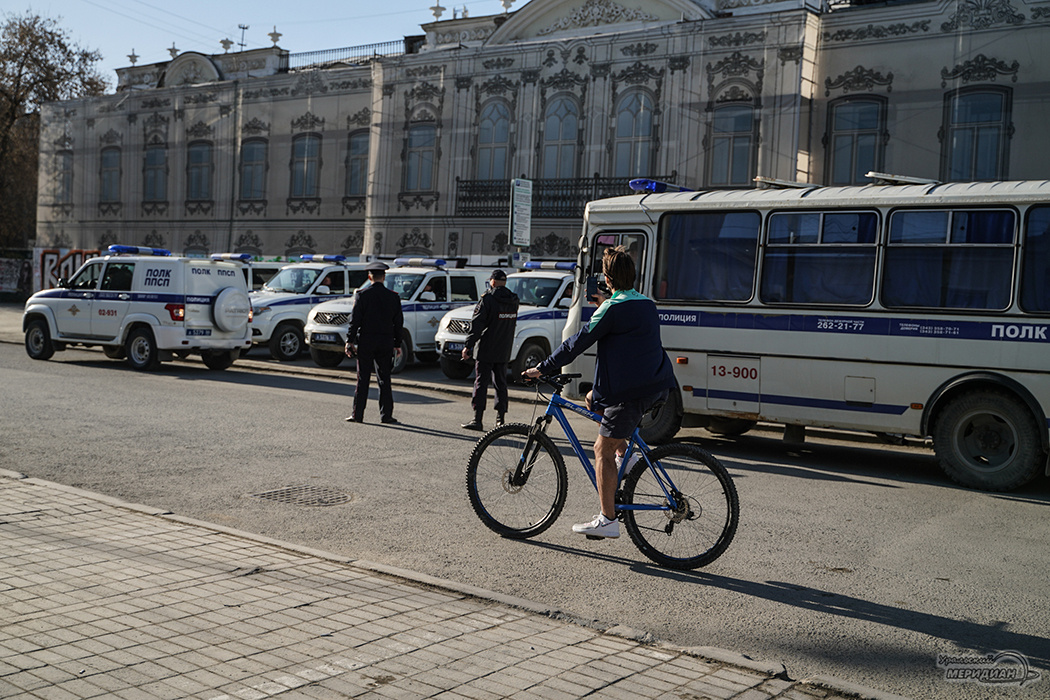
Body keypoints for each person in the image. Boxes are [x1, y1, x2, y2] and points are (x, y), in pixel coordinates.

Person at [524, 246, 674, 539]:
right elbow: (624, 327)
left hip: (632, 392)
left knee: (599, 449)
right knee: (593, 399)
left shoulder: (611, 309)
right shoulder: (645, 303)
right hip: (658, 383)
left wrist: (543, 368)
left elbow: (575, 343)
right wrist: (605, 305)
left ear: (607, 278)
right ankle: (626, 456)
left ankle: (608, 519)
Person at [345, 262, 403, 425]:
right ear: (384, 277)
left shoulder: (362, 295)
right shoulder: (393, 296)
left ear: (369, 276)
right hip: (385, 341)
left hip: (366, 341)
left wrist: (350, 341)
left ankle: (358, 415)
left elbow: (355, 320)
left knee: (363, 378)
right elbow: (398, 323)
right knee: (384, 378)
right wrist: (397, 344)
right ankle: (386, 415)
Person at [461, 269, 519, 431]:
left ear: (492, 282)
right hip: (504, 349)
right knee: (501, 384)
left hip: (486, 349)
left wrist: (468, 345)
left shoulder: (488, 299)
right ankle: (501, 420)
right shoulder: (514, 300)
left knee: (481, 383)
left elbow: (477, 324)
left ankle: (477, 419)